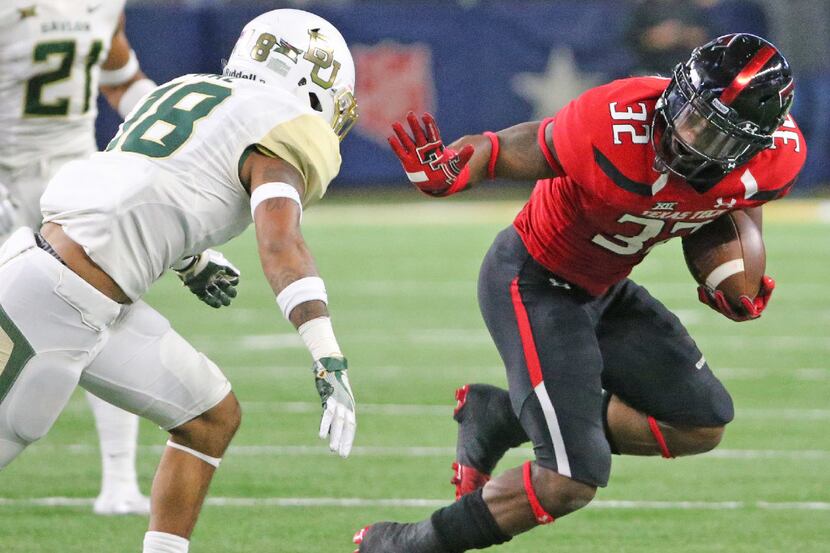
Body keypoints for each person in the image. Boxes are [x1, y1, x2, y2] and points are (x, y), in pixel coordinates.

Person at [355, 33, 805, 552]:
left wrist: (738, 270)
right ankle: (403, 543)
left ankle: (499, 416)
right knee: (567, 480)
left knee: (700, 424)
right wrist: (457, 167)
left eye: (716, 136)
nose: (689, 137)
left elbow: (741, 196)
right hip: (532, 280)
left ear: (754, 145)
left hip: (605, 288)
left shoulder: (778, 159)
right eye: (690, 114)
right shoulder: (613, 122)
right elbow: (508, 147)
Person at [0, 8, 358, 553]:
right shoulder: (283, 124)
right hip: (50, 298)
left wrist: (190, 258)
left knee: (209, 415)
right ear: (311, 77)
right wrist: (325, 351)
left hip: (80, 288)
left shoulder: (191, 87)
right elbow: (281, 243)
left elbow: (139, 184)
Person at [0, 0, 160, 516]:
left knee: (103, 315)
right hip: (5, 174)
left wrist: (177, 119)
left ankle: (119, 484)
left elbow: (120, 76)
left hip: (71, 182)